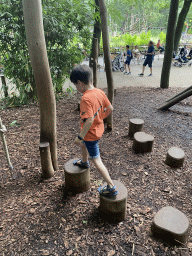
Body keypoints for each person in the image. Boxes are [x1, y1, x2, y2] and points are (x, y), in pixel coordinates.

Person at [70, 64, 118, 197]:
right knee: (84, 145)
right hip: (98, 130)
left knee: (96, 159)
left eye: (75, 85)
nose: (76, 88)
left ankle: (111, 186)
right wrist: (101, 118)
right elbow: (110, 109)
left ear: (80, 83)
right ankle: (84, 162)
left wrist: (80, 137)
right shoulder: (99, 92)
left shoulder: (85, 98)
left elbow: (89, 120)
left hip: (90, 135)